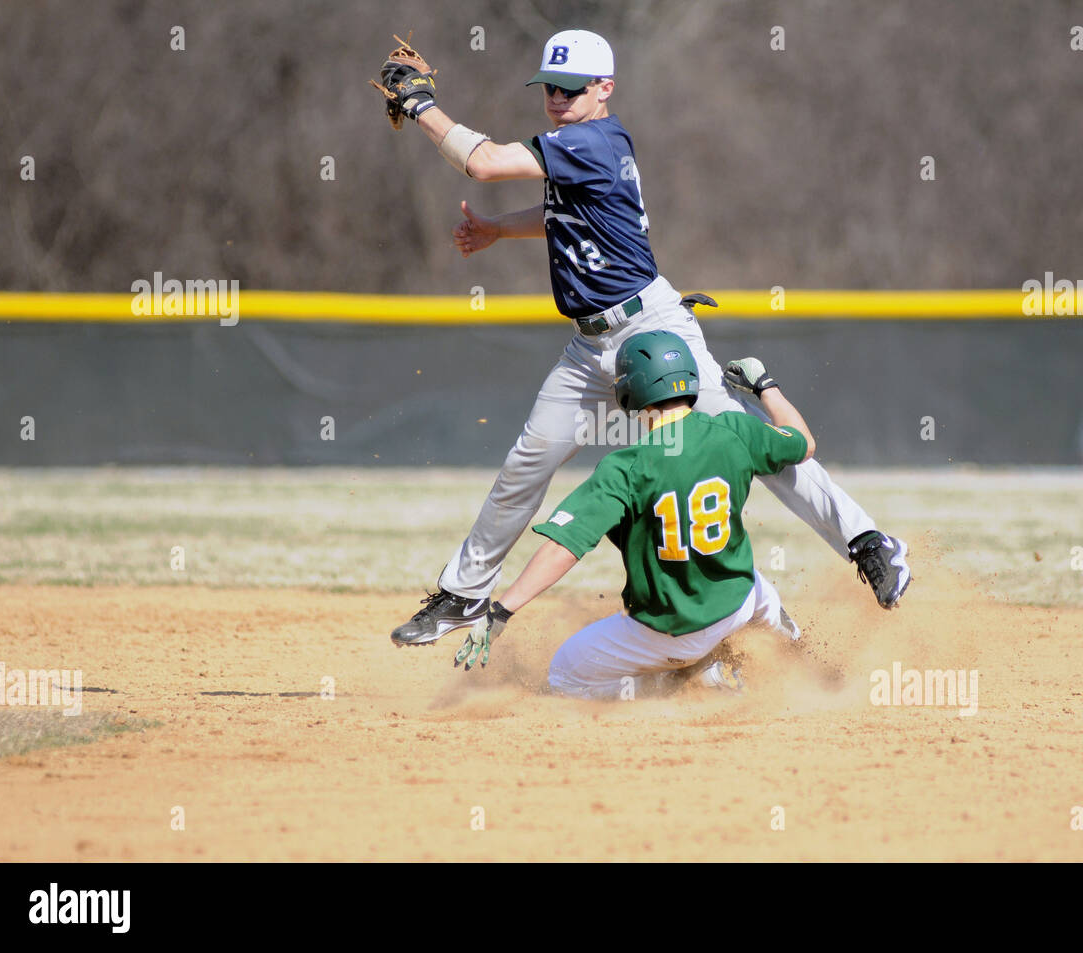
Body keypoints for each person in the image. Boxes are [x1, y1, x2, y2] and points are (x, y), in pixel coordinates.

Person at [377, 28, 910, 648]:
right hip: (589, 347)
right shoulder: (580, 145)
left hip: (651, 330)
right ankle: (465, 595)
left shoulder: (592, 139)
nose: (557, 96)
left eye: (571, 88)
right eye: (549, 85)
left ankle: (868, 540)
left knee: (745, 437)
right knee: (528, 461)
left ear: (604, 88)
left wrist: (420, 106)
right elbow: (565, 215)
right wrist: (498, 229)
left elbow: (484, 161)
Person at [452, 331, 808, 698]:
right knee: (758, 589)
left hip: (670, 635)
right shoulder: (736, 430)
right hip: (735, 602)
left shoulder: (624, 467)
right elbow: (803, 441)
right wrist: (765, 386)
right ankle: (797, 650)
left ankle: (674, 683)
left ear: (629, 392)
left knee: (563, 676)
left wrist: (501, 612)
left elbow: (565, 547)